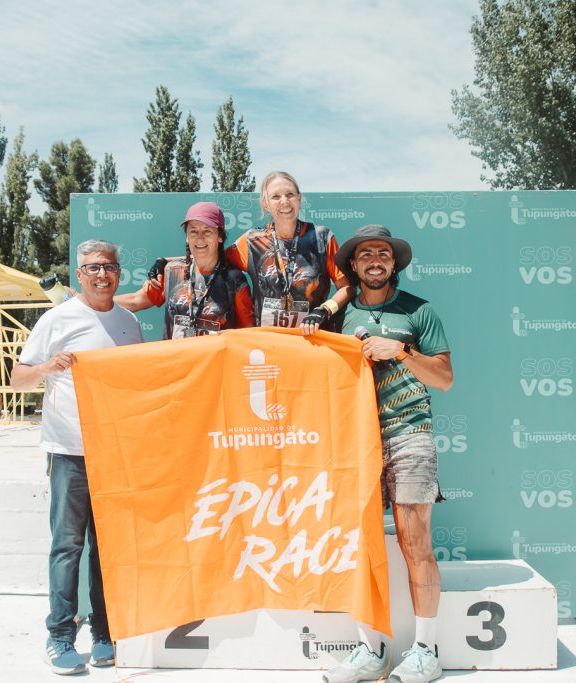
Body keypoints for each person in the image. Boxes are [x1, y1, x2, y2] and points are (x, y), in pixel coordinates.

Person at [328, 225, 453, 683]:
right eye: (366, 254)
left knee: (415, 543)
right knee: (358, 546)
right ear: (354, 265)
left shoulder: (419, 310)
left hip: (409, 434)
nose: (375, 260)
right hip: (356, 439)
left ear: (394, 262)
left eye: (383, 253)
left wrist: (400, 352)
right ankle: (371, 650)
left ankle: (427, 652)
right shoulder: (337, 315)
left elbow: (444, 378)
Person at [10, 240, 142, 675]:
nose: (102, 275)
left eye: (109, 267)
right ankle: (60, 635)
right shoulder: (56, 319)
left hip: (113, 453)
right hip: (68, 451)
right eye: (93, 268)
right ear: (79, 274)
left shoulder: (128, 324)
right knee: (67, 546)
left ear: (119, 272)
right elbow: (17, 379)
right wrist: (46, 368)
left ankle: (104, 632)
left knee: (107, 549)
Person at [225, 171, 352, 333]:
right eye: (276, 196)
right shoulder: (252, 240)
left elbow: (347, 287)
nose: (284, 202)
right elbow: (215, 265)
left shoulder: (321, 237)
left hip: (311, 338)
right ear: (265, 204)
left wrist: (324, 310)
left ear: (299, 198)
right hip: (266, 340)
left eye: (290, 194)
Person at [116, 201, 254, 338]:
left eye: (207, 231)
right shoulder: (172, 271)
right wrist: (101, 300)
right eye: (193, 231)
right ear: (187, 238)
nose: (200, 237)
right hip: (176, 353)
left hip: (215, 353)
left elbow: (248, 330)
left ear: (220, 237)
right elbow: (136, 301)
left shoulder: (234, 279)